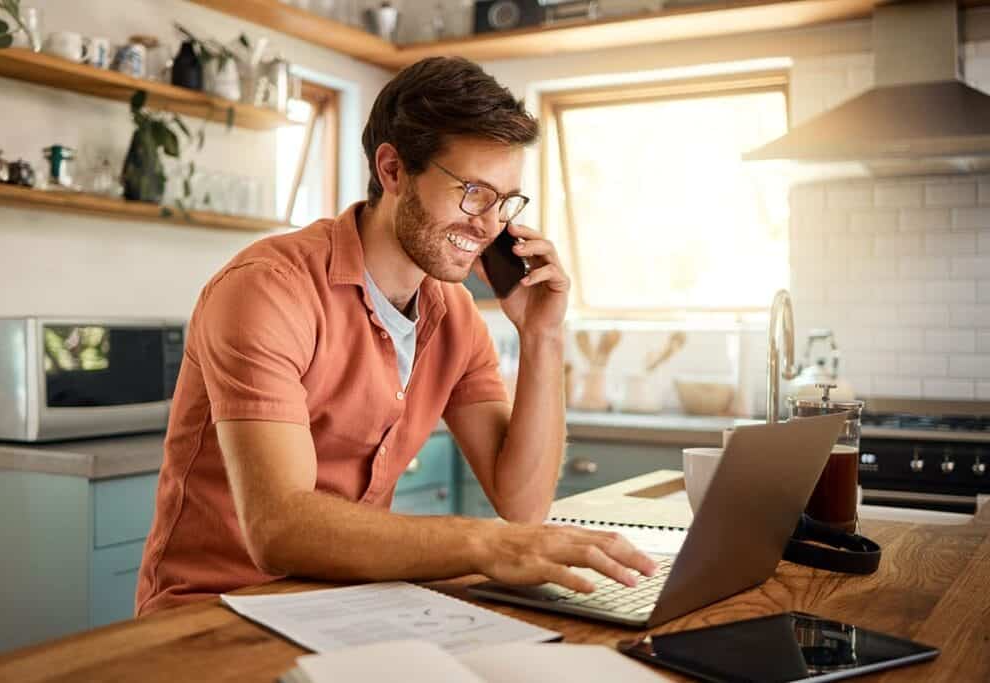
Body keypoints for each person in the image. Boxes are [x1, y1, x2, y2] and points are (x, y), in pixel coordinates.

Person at [135, 56, 655, 616]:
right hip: (214, 614)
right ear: (393, 170)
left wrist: (542, 335)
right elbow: (279, 527)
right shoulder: (268, 290)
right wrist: (488, 544)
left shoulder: (454, 315)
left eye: (505, 201)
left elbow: (522, 503)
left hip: (349, 607)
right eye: (473, 191)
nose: (490, 225)